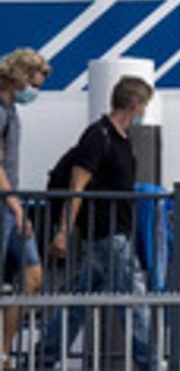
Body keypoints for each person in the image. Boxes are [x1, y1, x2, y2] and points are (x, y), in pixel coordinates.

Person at [36, 76, 154, 369]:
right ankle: (149, 364)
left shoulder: (122, 139)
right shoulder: (98, 136)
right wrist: (64, 231)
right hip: (107, 234)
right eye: (144, 105)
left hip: (114, 233)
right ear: (134, 104)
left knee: (78, 303)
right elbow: (77, 186)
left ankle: (42, 358)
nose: (144, 112)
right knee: (135, 304)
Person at [0, 48, 50, 363]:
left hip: (10, 206)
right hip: (5, 204)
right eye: (34, 84)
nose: (35, 91)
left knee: (33, 275)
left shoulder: (11, 110)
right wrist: (14, 203)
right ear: (19, 77)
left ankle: (2, 351)